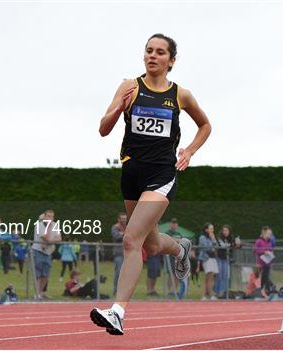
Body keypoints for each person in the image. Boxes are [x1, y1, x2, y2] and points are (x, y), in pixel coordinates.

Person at [90, 33, 211, 335]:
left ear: (171, 61)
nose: (152, 56)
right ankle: (180, 249)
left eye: (160, 52)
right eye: (148, 51)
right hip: (131, 174)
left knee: (131, 240)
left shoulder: (180, 95)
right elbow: (103, 129)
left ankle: (118, 311)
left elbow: (205, 125)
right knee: (153, 243)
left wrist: (190, 151)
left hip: (161, 175)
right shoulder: (129, 86)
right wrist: (119, 107)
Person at [32, 209, 61, 300]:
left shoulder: (55, 225)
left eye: (52, 216)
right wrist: (49, 227)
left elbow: (59, 238)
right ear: (44, 216)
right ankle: (37, 293)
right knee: (38, 274)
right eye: (48, 216)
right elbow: (46, 238)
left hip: (48, 252)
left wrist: (52, 240)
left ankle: (40, 293)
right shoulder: (38, 225)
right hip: (38, 251)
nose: (50, 218)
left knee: (45, 275)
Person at [215, 225, 240, 298]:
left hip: (227, 259)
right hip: (220, 258)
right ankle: (218, 292)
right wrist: (232, 245)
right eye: (224, 230)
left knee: (226, 276)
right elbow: (223, 246)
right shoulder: (219, 238)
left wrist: (237, 244)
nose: (225, 232)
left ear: (229, 231)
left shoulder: (232, 238)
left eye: (227, 230)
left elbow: (236, 246)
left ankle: (223, 292)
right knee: (219, 275)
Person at [197, 223, 218, 301]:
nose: (212, 230)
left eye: (212, 229)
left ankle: (208, 294)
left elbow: (216, 247)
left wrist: (213, 239)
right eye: (210, 228)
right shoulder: (202, 237)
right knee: (208, 277)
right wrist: (212, 243)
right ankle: (206, 295)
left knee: (211, 277)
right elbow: (206, 248)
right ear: (206, 229)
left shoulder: (211, 237)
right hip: (206, 258)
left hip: (212, 258)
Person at [254, 226, 275, 295]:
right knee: (263, 277)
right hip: (261, 263)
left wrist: (270, 253)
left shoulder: (269, 242)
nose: (270, 236)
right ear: (264, 233)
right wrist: (263, 251)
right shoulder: (259, 241)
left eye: (270, 234)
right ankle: (264, 290)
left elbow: (271, 249)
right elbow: (255, 250)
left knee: (265, 277)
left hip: (267, 263)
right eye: (268, 234)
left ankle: (265, 291)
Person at [111, 213, 127, 296]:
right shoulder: (115, 227)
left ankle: (124, 291)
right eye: (122, 218)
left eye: (125, 219)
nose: (124, 220)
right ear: (118, 219)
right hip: (118, 254)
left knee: (127, 273)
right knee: (118, 272)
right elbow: (117, 237)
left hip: (127, 254)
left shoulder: (127, 227)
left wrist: (123, 233)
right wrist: (124, 233)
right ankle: (115, 290)